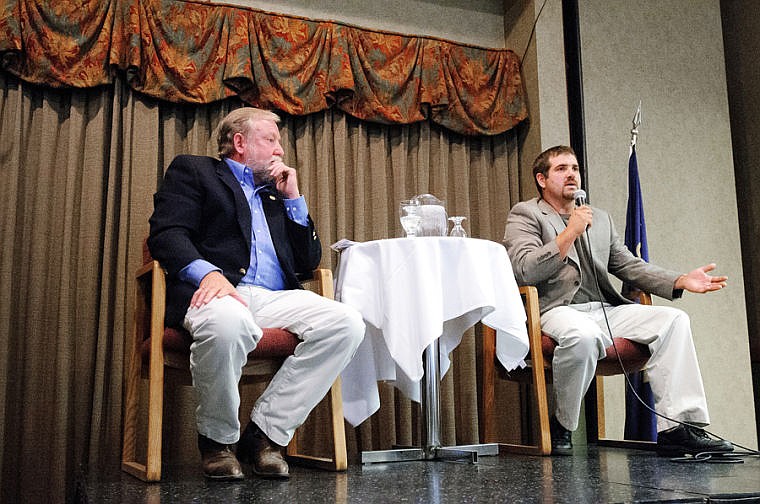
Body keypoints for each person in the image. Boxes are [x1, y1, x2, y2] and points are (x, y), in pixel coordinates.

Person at [148, 107, 365, 480]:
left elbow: (307, 261)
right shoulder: (195, 171)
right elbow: (167, 234)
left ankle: (264, 435)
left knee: (347, 323)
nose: (280, 149)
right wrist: (207, 274)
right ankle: (217, 442)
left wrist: (294, 200)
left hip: (272, 298)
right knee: (229, 325)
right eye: (271, 140)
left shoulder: (274, 195)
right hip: (216, 292)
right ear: (239, 143)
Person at [503, 145, 733, 457]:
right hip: (556, 310)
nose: (571, 173)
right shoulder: (526, 214)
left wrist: (680, 280)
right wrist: (569, 232)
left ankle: (679, 428)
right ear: (542, 179)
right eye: (561, 169)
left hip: (605, 309)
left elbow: (628, 265)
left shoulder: (599, 218)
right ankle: (564, 423)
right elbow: (525, 269)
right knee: (583, 336)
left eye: (574, 168)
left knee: (674, 321)